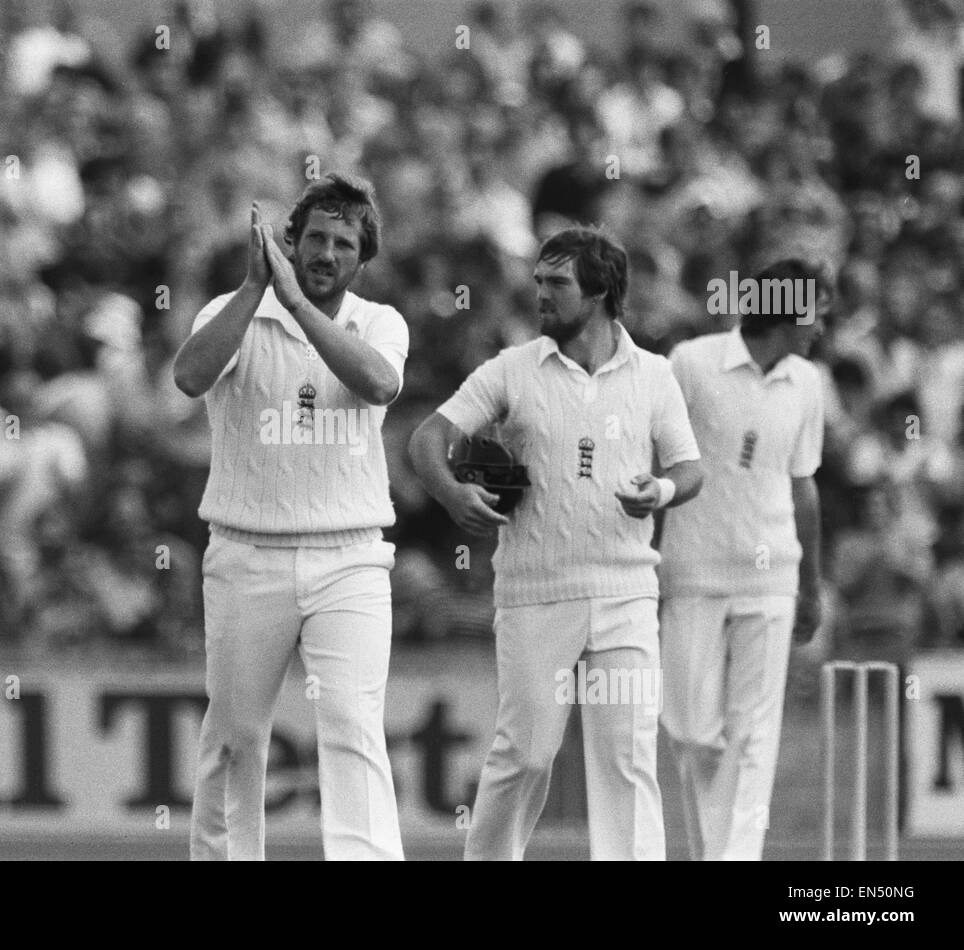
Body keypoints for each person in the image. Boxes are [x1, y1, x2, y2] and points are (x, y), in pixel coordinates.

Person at [409, 227, 703, 860]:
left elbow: (690, 468)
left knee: (627, 757)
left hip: (626, 590)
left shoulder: (654, 375)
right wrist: (453, 494)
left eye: (556, 284)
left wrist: (662, 491)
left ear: (598, 292)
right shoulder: (513, 369)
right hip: (534, 594)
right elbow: (427, 439)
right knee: (527, 754)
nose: (540, 294)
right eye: (539, 281)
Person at [174, 173, 408, 860]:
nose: (326, 253)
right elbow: (188, 378)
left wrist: (300, 306)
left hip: (352, 556)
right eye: (315, 238)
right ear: (290, 241)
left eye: (343, 243)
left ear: (361, 259)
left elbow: (378, 384)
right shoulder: (232, 310)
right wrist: (255, 293)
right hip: (247, 554)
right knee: (235, 736)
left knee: (351, 723)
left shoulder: (379, 321)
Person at [655, 259, 827, 861]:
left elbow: (803, 485)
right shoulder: (692, 363)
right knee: (691, 731)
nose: (820, 325)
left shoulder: (809, 381)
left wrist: (811, 585)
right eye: (814, 310)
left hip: (773, 572)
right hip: (692, 569)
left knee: (755, 736)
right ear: (787, 309)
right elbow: (659, 462)